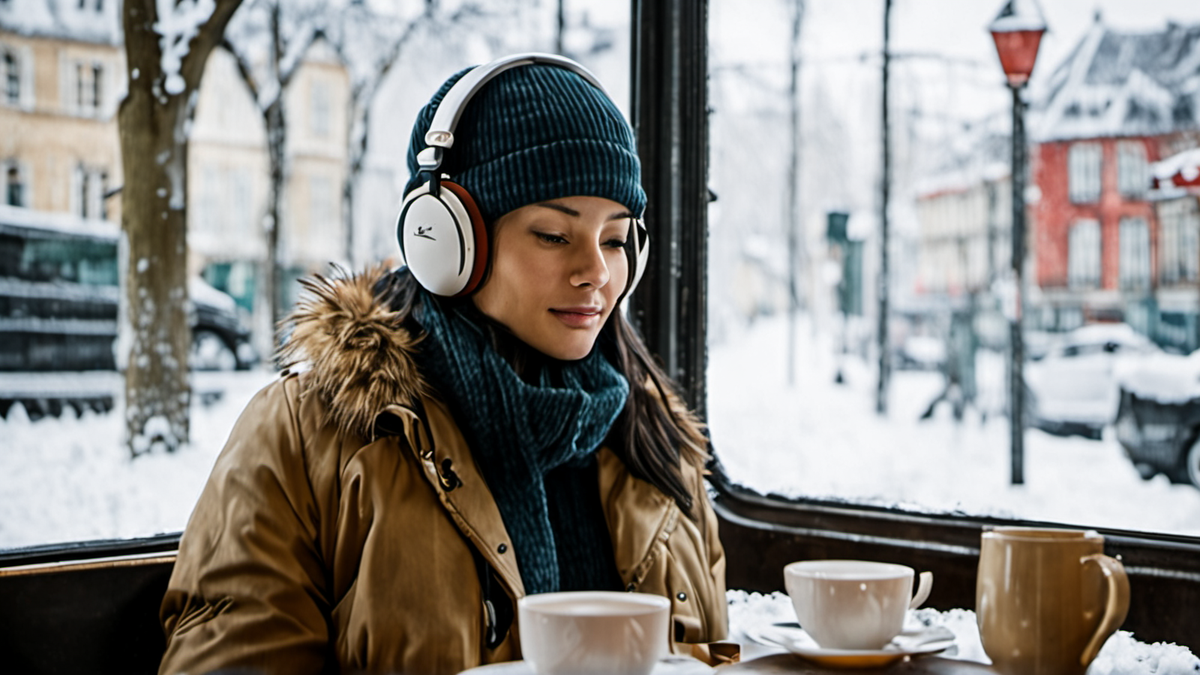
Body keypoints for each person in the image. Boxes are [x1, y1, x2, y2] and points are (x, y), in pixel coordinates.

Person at [157, 53, 729, 675]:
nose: (596, 272)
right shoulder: (305, 436)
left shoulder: (655, 444)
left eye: (616, 240)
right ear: (449, 240)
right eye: (554, 235)